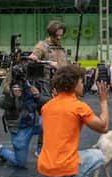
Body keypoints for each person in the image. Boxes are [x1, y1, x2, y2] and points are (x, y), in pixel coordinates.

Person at [37, 65, 109, 177]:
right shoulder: (78, 106)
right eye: (81, 82)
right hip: (64, 167)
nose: (83, 85)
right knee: (99, 155)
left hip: (44, 166)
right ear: (74, 84)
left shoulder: (46, 107)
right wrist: (103, 101)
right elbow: (104, 127)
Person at [29, 20, 70, 157]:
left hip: (61, 87)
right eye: (56, 35)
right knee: (47, 118)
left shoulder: (61, 48)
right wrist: (48, 62)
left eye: (61, 35)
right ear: (51, 33)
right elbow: (32, 59)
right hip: (46, 86)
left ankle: (57, 146)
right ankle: (41, 147)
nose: (59, 38)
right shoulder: (42, 46)